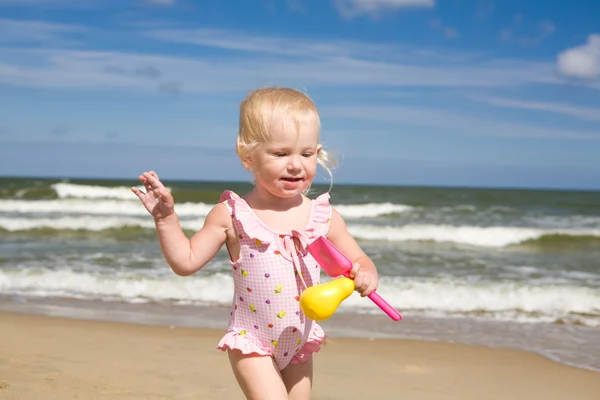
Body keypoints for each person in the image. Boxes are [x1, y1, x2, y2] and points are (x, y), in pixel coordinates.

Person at [132, 87, 380, 400]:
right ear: (248, 156)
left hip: (300, 341)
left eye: (306, 154)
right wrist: (166, 220)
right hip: (253, 343)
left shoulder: (323, 216)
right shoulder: (233, 215)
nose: (295, 165)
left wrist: (367, 274)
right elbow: (186, 261)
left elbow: (360, 261)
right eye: (280, 153)